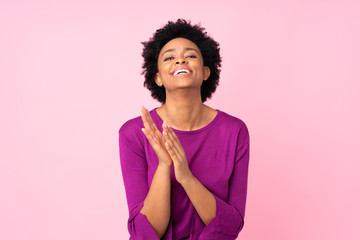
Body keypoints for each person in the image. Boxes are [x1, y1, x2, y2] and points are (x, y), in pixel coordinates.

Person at [118, 19, 250, 240]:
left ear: (206, 72)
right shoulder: (133, 133)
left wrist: (186, 177)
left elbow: (231, 225)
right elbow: (144, 233)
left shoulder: (234, 131)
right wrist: (164, 166)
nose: (180, 59)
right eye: (169, 57)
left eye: (190, 55)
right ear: (158, 77)